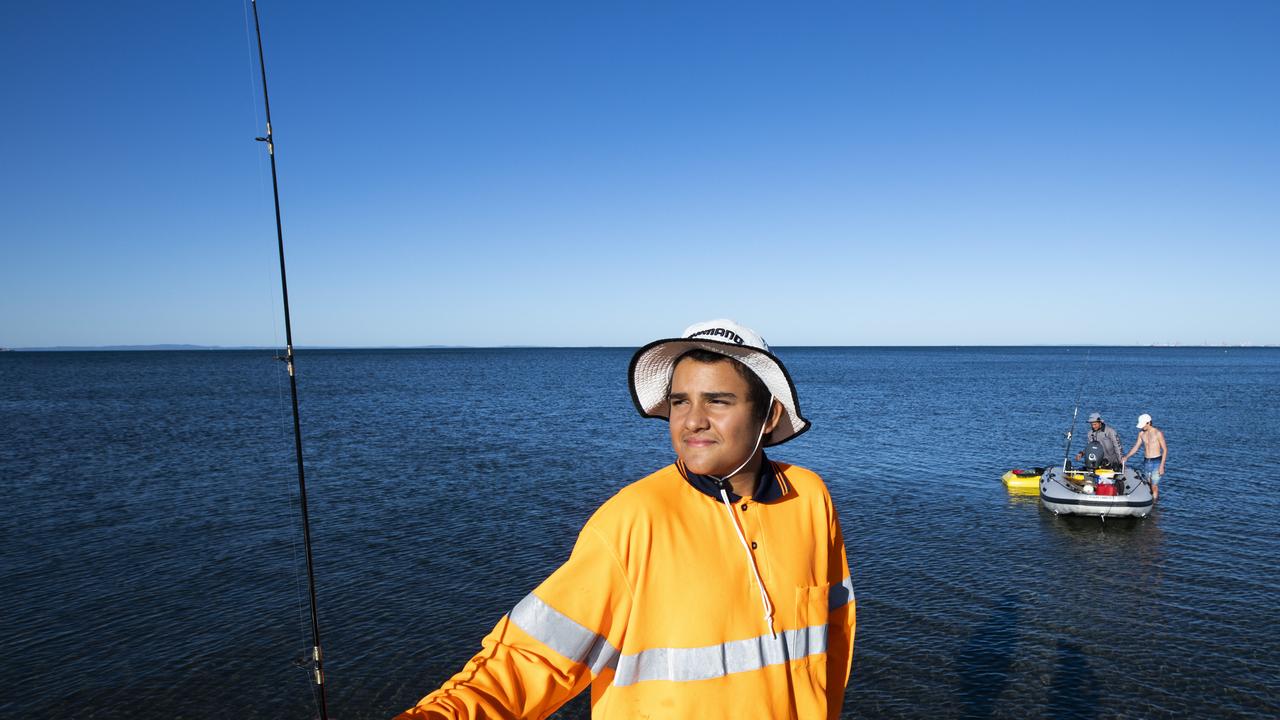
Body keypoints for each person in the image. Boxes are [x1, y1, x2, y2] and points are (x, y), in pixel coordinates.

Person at [395, 319, 855, 719]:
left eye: (717, 401)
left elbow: (835, 639)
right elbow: (526, 663)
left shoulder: (810, 497)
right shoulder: (634, 519)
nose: (692, 421)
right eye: (679, 402)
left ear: (769, 416)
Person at [1123, 413, 1167, 501]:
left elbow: (1165, 450)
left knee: (1154, 486)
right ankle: (1151, 501)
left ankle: (1154, 504)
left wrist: (1162, 466)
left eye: (1143, 425)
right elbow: (1136, 447)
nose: (1141, 427)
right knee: (1148, 484)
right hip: (1147, 461)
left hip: (1156, 462)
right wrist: (1127, 456)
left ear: (1148, 423)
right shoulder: (1141, 434)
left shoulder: (1157, 433)